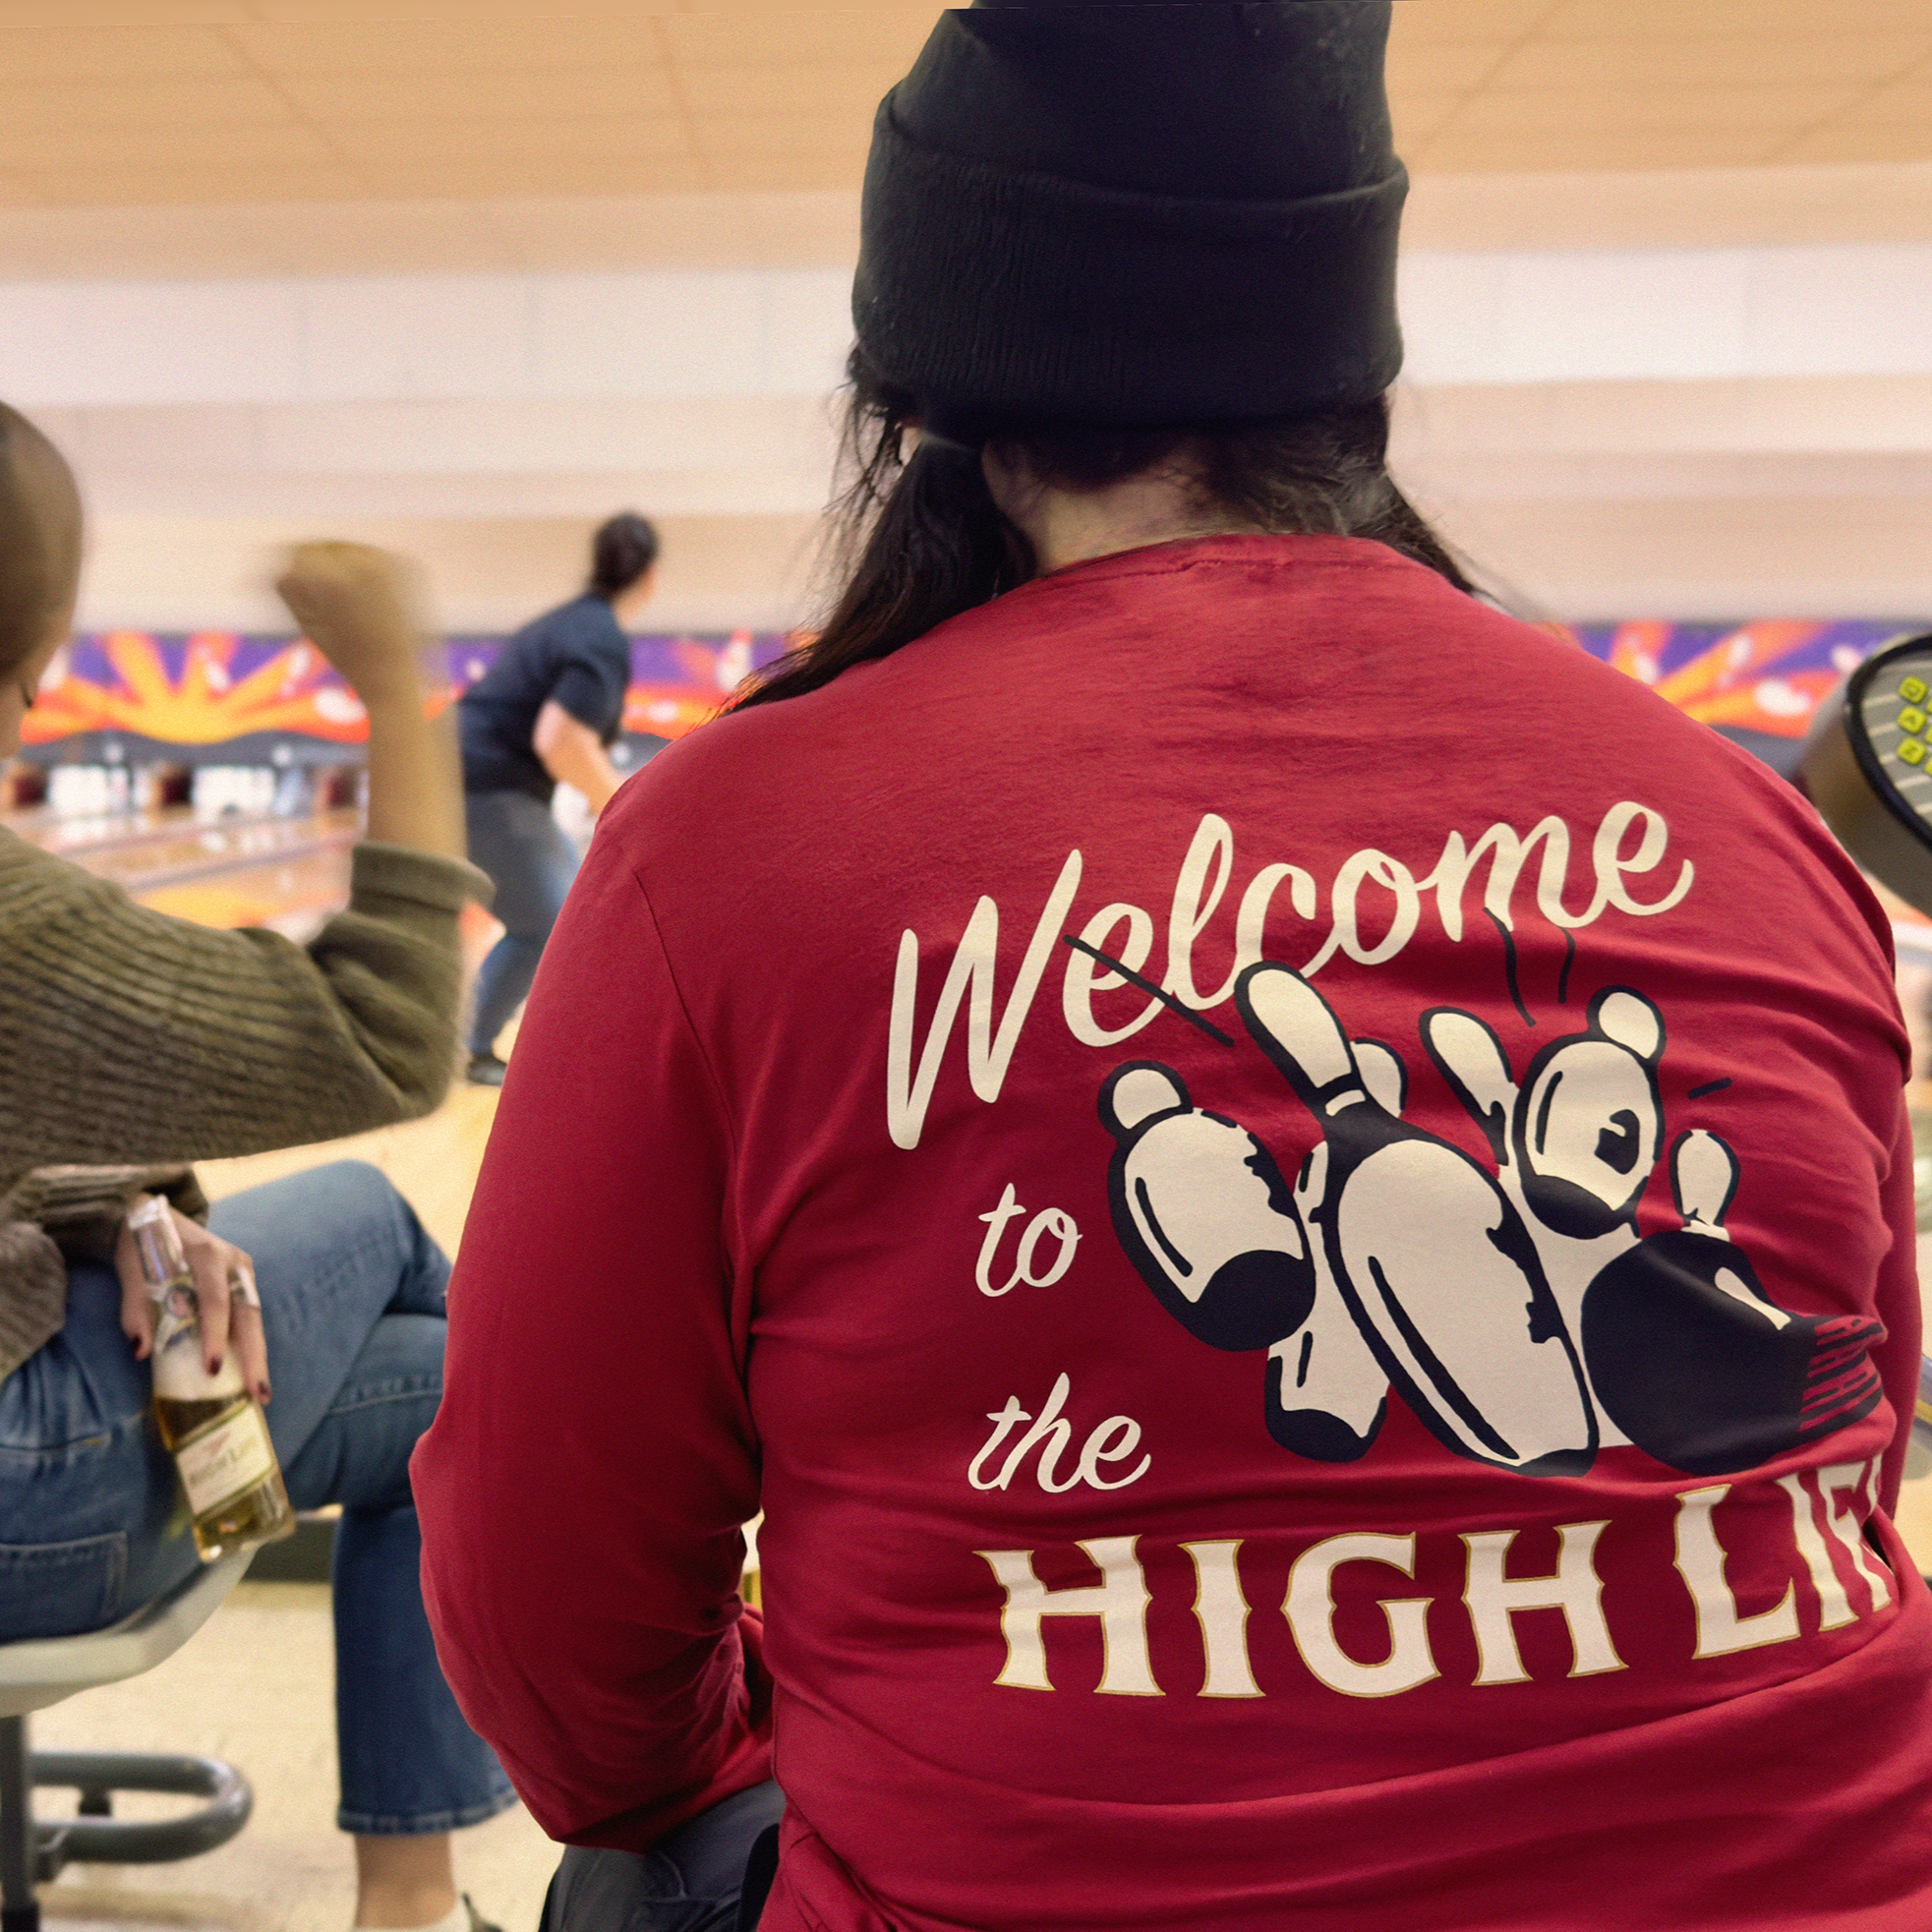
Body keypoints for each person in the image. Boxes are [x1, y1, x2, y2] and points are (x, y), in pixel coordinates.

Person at [413, 6, 1932, 1929]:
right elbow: (1847, 1449)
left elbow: (555, 1633)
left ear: (927, 406)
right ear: (1352, 382)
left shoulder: (724, 845)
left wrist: (751, 1760)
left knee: (619, 1874)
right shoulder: (1745, 827)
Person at [0, 402, 514, 1932]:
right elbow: (391, 1035)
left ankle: (409, 1900)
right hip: (24, 1498)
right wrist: (394, 688)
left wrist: (132, 1220)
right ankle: (415, 1899)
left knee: (440, 1388)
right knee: (384, 1224)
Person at [456, 513, 658, 1085]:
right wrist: (621, 806)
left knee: (560, 915)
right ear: (650, 578)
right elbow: (561, 738)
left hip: (455, 775)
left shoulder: (567, 623)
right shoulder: (600, 637)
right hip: (485, 784)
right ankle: (469, 1048)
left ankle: (476, 1044)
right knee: (556, 920)